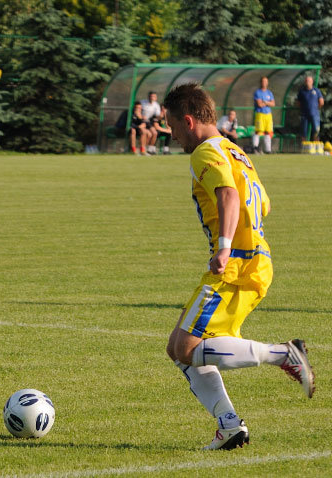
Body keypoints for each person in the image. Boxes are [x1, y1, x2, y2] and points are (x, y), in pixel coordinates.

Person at [163, 83, 315, 450]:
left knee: (185, 347)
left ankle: (283, 354)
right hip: (255, 259)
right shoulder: (237, 151)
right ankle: (230, 426)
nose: (172, 135)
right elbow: (262, 204)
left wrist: (225, 245)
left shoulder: (204, 152)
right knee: (178, 347)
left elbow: (229, 195)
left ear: (188, 120)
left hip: (235, 264)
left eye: (173, 126)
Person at [296, 75, 324, 141]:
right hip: (304, 115)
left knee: (316, 131)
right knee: (304, 132)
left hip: (315, 114)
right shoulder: (301, 91)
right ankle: (304, 148)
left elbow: (321, 102)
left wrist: (316, 109)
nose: (307, 82)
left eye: (309, 81)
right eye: (306, 81)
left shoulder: (316, 91)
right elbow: (298, 103)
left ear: (312, 82)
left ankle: (316, 146)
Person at [252, 77, 274, 154]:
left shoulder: (269, 93)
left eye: (266, 81)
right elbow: (259, 104)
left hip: (268, 115)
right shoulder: (258, 92)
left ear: (267, 83)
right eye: (263, 81)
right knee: (258, 131)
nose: (264, 83)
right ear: (261, 83)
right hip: (260, 114)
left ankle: (268, 150)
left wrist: (265, 102)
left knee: (268, 132)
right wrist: (268, 102)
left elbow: (273, 103)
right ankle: (255, 148)